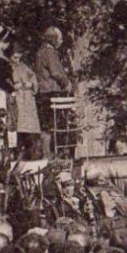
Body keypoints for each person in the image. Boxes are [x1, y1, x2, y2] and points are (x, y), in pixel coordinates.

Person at [33, 26, 74, 157]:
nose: (61, 42)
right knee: (53, 124)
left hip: (42, 92)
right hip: (51, 92)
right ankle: (51, 153)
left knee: (46, 124)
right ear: (53, 40)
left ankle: (46, 153)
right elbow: (56, 72)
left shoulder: (40, 51)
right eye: (60, 39)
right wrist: (67, 83)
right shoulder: (50, 52)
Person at [7, 44, 43, 160]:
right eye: (15, 58)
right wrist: (13, 86)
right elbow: (5, 82)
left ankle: (32, 153)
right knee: (17, 127)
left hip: (27, 100)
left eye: (19, 58)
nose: (17, 60)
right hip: (16, 100)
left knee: (30, 127)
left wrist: (31, 84)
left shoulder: (24, 67)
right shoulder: (7, 67)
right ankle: (17, 154)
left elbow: (33, 78)